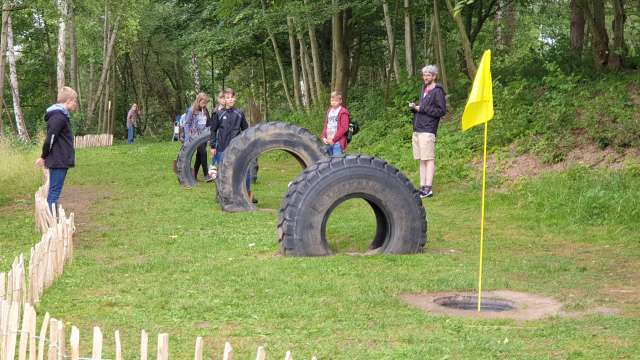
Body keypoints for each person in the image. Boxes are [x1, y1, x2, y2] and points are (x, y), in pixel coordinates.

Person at [208, 88, 256, 203]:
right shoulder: (218, 113)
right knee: (222, 171)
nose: (230, 100)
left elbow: (245, 130)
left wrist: (248, 143)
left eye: (232, 97)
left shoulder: (239, 113)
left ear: (235, 98)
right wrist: (213, 146)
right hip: (222, 148)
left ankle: (247, 194)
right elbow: (213, 130)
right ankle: (220, 194)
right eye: (227, 97)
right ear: (223, 99)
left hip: (238, 148)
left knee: (245, 171)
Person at [35, 86, 78, 210]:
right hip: (59, 160)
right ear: (68, 101)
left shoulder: (61, 115)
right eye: (74, 101)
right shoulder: (58, 117)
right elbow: (50, 139)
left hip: (60, 159)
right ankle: (51, 222)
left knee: (55, 191)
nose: (75, 104)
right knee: (54, 192)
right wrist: (43, 157)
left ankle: (52, 218)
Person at [409, 65, 446, 198]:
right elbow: (423, 108)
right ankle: (422, 187)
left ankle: (428, 189)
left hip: (428, 129)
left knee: (428, 158)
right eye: (424, 74)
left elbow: (441, 111)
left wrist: (422, 109)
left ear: (434, 76)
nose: (425, 77)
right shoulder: (424, 89)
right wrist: (414, 108)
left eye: (428, 75)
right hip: (418, 128)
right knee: (421, 159)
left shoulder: (438, 91)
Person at [184, 93, 213, 182]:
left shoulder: (205, 110)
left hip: (203, 136)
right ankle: (206, 175)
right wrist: (187, 137)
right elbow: (187, 124)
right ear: (198, 100)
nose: (204, 104)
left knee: (199, 156)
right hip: (195, 137)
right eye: (203, 102)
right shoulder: (191, 110)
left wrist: (209, 134)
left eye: (205, 103)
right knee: (203, 153)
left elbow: (208, 122)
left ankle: (194, 175)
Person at [321, 91, 350, 156]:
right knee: (330, 162)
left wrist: (334, 139)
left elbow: (344, 128)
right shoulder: (329, 111)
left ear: (340, 101)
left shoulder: (343, 112)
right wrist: (323, 137)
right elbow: (326, 125)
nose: (333, 102)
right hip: (328, 142)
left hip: (337, 143)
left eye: (336, 101)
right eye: (332, 100)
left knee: (337, 162)